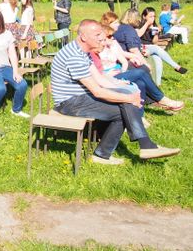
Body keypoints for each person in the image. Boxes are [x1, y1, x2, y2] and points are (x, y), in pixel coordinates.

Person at [51, 19, 180, 164]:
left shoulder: (82, 51)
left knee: (124, 101)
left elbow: (100, 80)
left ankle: (140, 147)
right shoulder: (74, 55)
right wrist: (129, 98)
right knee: (124, 109)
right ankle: (111, 153)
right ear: (83, 37)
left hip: (79, 97)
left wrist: (121, 88)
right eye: (97, 34)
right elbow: (97, 91)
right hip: (69, 102)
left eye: (101, 33)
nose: (102, 37)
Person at [136, 7, 187, 76]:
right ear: (144, 16)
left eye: (154, 16)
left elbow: (154, 42)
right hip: (141, 47)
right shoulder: (139, 24)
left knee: (158, 60)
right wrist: (147, 24)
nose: (152, 18)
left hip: (151, 47)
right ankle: (176, 66)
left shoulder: (154, 26)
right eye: (150, 16)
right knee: (156, 49)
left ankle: (158, 84)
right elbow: (138, 34)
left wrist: (156, 33)